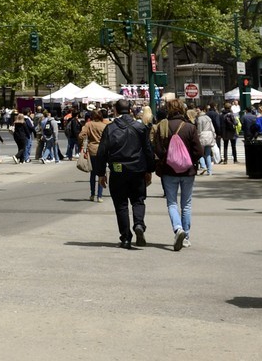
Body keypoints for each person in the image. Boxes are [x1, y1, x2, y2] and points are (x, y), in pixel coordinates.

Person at [92, 99, 151, 249]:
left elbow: (102, 151)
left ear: (115, 111)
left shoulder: (110, 128)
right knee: (138, 200)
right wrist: (149, 169)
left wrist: (100, 173)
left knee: (121, 204)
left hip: (118, 169)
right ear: (130, 110)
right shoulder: (140, 127)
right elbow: (148, 149)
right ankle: (139, 223)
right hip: (137, 168)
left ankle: (125, 237)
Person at [150, 97, 201, 250]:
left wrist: (168, 158)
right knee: (186, 204)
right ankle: (186, 237)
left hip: (168, 170)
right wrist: (188, 160)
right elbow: (199, 150)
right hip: (187, 171)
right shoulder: (189, 127)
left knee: (172, 203)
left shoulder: (162, 127)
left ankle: (178, 228)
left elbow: (157, 149)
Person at [80, 108, 107, 201]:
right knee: (101, 173)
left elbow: (81, 135)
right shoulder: (104, 125)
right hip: (102, 150)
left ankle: (92, 194)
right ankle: (100, 196)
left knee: (92, 174)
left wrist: (82, 143)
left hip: (92, 150)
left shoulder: (88, 124)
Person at [194, 103, 216, 175]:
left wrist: (198, 135)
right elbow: (212, 128)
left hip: (203, 136)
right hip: (209, 135)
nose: (197, 112)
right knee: (208, 154)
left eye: (197, 110)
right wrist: (213, 135)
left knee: (200, 153)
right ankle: (210, 171)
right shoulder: (208, 118)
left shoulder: (200, 119)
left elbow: (199, 130)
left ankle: (203, 166)